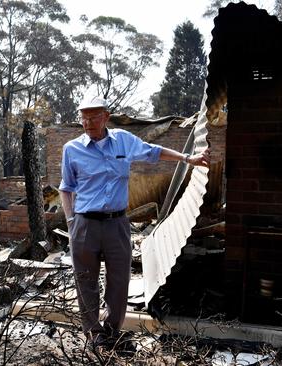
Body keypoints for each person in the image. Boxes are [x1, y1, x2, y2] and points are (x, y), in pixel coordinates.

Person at [58, 96, 210, 345]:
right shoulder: (71, 149)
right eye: (83, 117)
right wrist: (71, 221)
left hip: (117, 224)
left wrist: (187, 159)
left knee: (119, 281)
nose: (87, 123)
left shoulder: (123, 141)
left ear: (106, 117)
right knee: (85, 280)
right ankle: (94, 336)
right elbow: (66, 188)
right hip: (84, 224)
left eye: (93, 117)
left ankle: (112, 332)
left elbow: (154, 152)